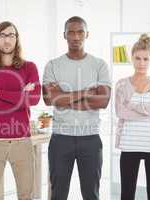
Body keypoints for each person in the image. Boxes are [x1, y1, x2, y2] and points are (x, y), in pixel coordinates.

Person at [42, 16, 111, 200]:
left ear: (87, 34)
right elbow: (50, 99)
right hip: (60, 138)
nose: (76, 36)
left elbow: (103, 101)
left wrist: (64, 97)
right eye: (71, 32)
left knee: (91, 194)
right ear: (64, 35)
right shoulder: (53, 65)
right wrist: (86, 92)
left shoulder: (99, 65)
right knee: (58, 194)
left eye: (80, 32)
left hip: (90, 138)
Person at [0, 21, 41, 200]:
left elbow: (33, 99)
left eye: (11, 35)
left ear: (17, 39)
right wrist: (20, 95)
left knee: (26, 195)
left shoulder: (30, 67)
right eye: (2, 35)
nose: (7, 40)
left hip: (22, 140)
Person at [115, 34, 150, 200]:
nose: (141, 63)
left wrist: (137, 107)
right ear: (131, 58)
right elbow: (120, 112)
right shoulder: (122, 84)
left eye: (146, 59)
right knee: (127, 194)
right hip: (130, 144)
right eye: (137, 58)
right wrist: (148, 111)